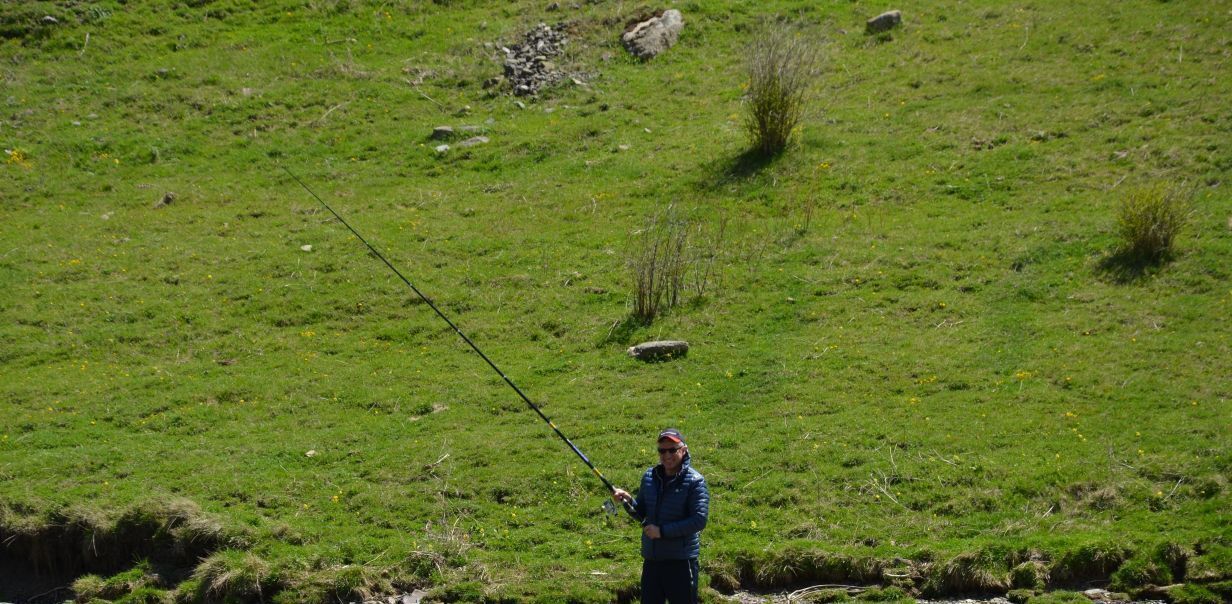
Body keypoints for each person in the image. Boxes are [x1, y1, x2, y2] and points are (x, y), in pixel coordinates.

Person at [612, 429, 710, 604]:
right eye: (662, 450)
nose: (667, 455)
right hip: (652, 561)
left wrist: (662, 532)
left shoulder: (695, 481)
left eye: (672, 450)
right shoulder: (649, 477)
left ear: (684, 450)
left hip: (680, 562)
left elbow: (699, 520)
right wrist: (627, 501)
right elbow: (641, 513)